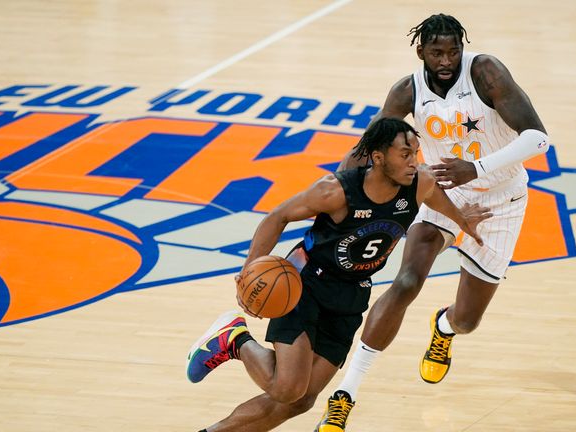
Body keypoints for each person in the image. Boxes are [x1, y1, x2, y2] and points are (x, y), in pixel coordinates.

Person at [316, 13, 550, 431]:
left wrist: (475, 168)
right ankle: (344, 396)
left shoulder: (486, 72)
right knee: (405, 282)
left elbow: (537, 137)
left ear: (463, 47)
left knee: (468, 320)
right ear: (420, 52)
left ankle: (444, 328)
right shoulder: (407, 90)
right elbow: (367, 145)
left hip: (502, 199)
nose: (446, 60)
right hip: (443, 192)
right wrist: (333, 195)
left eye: (453, 50)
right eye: (436, 52)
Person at [184, 118, 491, 432]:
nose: (414, 162)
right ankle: (236, 339)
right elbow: (278, 217)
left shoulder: (420, 183)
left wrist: (463, 220)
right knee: (287, 388)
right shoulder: (336, 191)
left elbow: (438, 199)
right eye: (405, 154)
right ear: (378, 158)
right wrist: (250, 269)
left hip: (350, 296)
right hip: (306, 286)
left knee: (301, 401)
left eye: (416, 152)